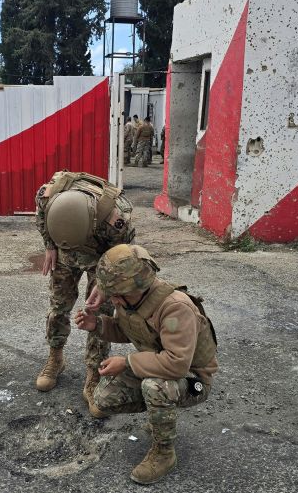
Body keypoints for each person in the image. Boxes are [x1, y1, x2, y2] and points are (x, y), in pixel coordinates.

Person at [74, 244, 218, 484]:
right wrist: (98, 325)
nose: (115, 299)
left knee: (155, 387)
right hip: (156, 363)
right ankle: (159, 413)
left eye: (119, 294)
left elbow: (177, 364)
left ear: (139, 286)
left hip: (192, 378)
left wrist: (127, 362)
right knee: (101, 400)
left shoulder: (174, 307)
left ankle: (164, 453)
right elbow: (129, 330)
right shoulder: (132, 298)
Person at [34, 171, 136, 415]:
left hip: (100, 257)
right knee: (58, 307)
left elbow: (121, 253)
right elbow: (40, 216)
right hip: (63, 252)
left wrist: (104, 282)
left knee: (98, 313)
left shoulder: (117, 218)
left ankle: (93, 373)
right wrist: (50, 244)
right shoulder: (48, 197)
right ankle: (55, 358)